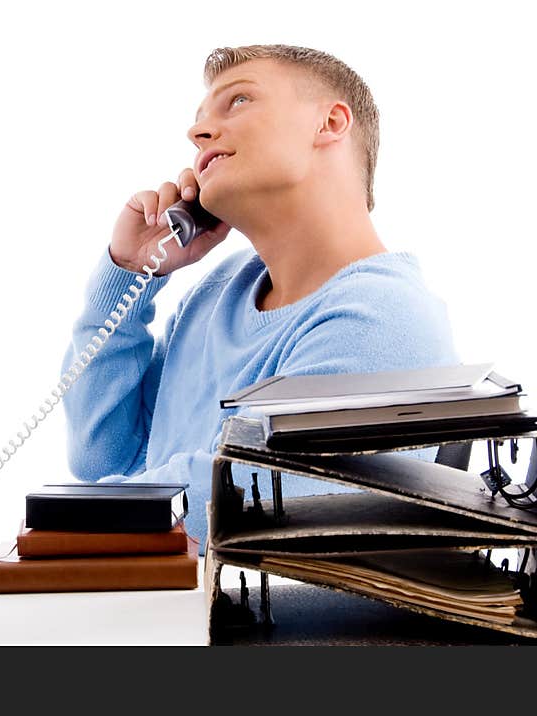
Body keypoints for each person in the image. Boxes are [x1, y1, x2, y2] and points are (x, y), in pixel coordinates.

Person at [60, 44, 458, 551]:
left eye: (239, 101)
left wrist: (61, 511)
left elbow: (252, 495)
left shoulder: (384, 316)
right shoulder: (216, 295)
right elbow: (103, 458)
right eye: (200, 118)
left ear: (330, 123)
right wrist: (129, 276)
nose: (197, 133)